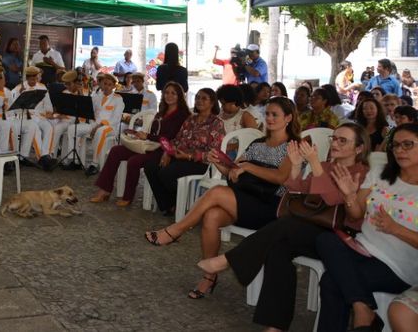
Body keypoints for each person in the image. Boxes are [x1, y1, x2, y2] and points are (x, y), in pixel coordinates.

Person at [197, 123, 371, 331]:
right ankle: (276, 325)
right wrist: (297, 166)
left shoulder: (362, 173)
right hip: (308, 227)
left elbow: (332, 200)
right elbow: (295, 191)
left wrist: (315, 163)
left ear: (359, 148)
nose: (335, 143)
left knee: (286, 225)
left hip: (335, 236)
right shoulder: (325, 166)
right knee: (278, 250)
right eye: (334, 138)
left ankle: (229, 260)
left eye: (343, 140)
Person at [145, 97, 299, 300]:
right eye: (267, 114)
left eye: (275, 115)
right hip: (245, 199)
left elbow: (282, 177)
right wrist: (219, 163)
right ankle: (209, 277)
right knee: (211, 216)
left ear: (288, 118)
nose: (269, 118)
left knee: (217, 192)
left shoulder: (292, 146)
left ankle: (176, 230)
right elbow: (234, 172)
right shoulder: (257, 143)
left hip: (270, 206)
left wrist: (249, 167)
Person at [315, 123, 418, 332]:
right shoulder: (380, 172)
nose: (399, 150)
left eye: (408, 144)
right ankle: (363, 308)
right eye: (396, 145)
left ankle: (362, 312)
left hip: (398, 265)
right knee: (324, 239)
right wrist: (349, 196)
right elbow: (356, 214)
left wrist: (396, 229)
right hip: (362, 248)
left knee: (331, 282)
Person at [90, 82, 190, 206]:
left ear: (179, 96)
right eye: (166, 93)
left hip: (163, 151)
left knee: (134, 161)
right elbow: (154, 131)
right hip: (149, 145)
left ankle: (128, 196)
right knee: (116, 151)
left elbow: (171, 138)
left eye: (173, 93)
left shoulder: (182, 115)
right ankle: (104, 190)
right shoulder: (162, 112)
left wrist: (147, 136)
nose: (169, 96)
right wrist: (138, 134)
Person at [144, 88, 225, 215]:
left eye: (204, 98)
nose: (199, 100)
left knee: (166, 173)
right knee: (151, 167)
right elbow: (177, 140)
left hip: (200, 162)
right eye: (197, 97)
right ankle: (169, 205)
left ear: (213, 102)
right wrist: (167, 153)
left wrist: (189, 156)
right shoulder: (190, 119)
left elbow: (213, 152)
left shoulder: (216, 123)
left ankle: (182, 203)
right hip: (179, 156)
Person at [67, 73, 124, 176]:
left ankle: (94, 164)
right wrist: (80, 93)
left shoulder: (118, 99)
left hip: (109, 127)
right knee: (72, 129)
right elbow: (87, 108)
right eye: (105, 83)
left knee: (100, 132)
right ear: (101, 84)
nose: (106, 86)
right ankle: (75, 160)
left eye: (109, 84)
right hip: (94, 125)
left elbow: (116, 119)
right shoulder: (96, 96)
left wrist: (99, 126)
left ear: (114, 86)